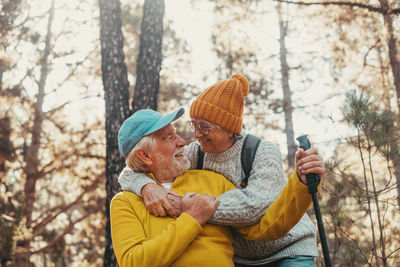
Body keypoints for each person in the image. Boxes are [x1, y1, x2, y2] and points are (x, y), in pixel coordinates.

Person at [119, 74, 325, 266]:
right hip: (241, 256)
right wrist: (146, 186)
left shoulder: (262, 152)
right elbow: (135, 167)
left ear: (229, 128)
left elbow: (253, 207)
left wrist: (190, 207)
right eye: (194, 125)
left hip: (285, 247)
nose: (197, 135)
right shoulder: (195, 154)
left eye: (205, 127)